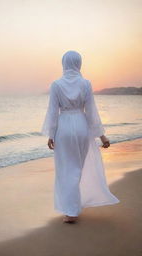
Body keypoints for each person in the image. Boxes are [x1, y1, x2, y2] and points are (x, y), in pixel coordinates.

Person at [41, 50, 120, 224]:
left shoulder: (56, 85)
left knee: (67, 170)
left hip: (64, 128)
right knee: (77, 168)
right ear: (79, 63)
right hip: (82, 126)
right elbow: (91, 111)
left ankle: (71, 211)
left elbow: (53, 112)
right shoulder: (86, 84)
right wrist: (102, 136)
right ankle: (73, 208)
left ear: (64, 63)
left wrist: (51, 134)